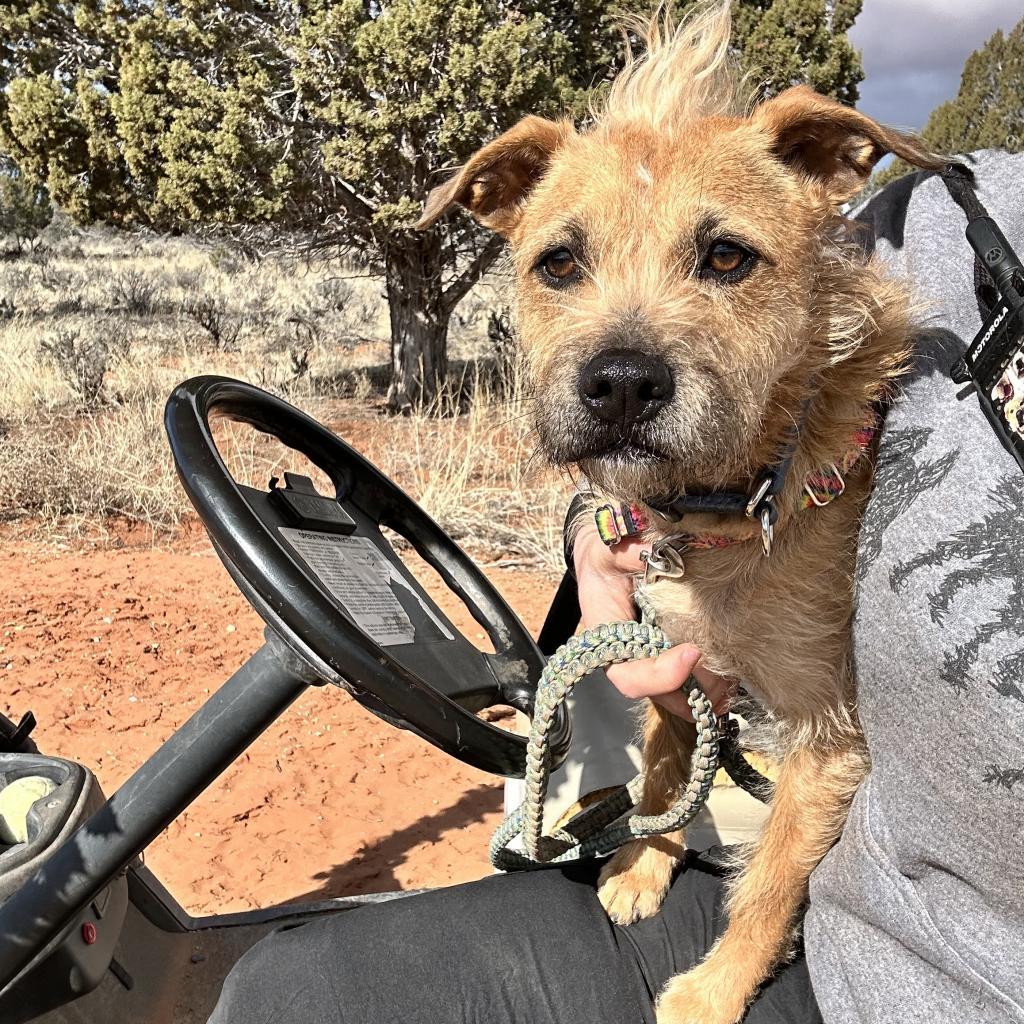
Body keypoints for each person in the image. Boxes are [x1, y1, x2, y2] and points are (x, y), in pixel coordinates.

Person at [208, 151, 1024, 1024]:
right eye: (561, 265)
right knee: (284, 991)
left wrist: (736, 962)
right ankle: (657, 827)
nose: (620, 364)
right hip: (867, 893)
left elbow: (827, 747)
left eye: (724, 261)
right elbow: (690, 434)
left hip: (922, 975)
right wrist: (600, 533)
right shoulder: (950, 217)